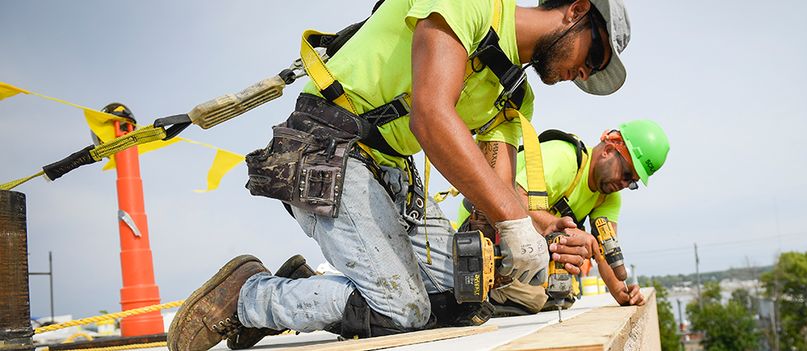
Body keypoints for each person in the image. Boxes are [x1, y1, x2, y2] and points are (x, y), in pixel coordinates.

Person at [166, 0, 631, 350]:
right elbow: (429, 115)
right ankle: (250, 297)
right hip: (331, 145)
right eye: (594, 56)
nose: (584, 74)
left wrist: (541, 228)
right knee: (403, 314)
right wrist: (512, 218)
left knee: (462, 304)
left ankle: (308, 286)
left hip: (392, 172)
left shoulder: (514, 95)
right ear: (576, 9)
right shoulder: (471, 5)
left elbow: (498, 192)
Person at [456, 119, 669, 315]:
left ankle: (513, 288)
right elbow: (510, 198)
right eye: (626, 174)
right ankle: (494, 290)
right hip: (483, 231)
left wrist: (621, 292)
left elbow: (605, 250)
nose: (624, 184)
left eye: (632, 182)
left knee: (562, 296)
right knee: (534, 300)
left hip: (524, 243)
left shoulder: (608, 198)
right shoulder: (564, 157)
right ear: (609, 150)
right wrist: (560, 228)